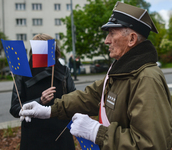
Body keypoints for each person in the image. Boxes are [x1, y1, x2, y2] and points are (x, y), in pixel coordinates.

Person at [19, 2, 172, 149]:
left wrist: (97, 132)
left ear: (131, 39)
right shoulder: (122, 72)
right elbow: (90, 96)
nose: (106, 41)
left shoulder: (146, 78)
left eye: (112, 34)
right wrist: (50, 110)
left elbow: (151, 145)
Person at [9, 33, 76, 150]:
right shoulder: (22, 72)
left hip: (61, 135)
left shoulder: (64, 71)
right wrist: (40, 101)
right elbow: (15, 108)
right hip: (33, 138)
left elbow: (75, 101)